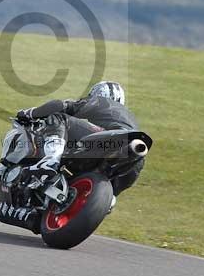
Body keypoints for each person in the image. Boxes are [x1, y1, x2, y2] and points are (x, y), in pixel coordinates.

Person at [15, 81, 144, 206]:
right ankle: (110, 199)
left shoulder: (100, 101)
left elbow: (60, 106)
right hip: (134, 155)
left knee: (58, 117)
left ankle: (51, 159)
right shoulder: (130, 117)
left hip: (110, 138)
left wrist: (29, 113)